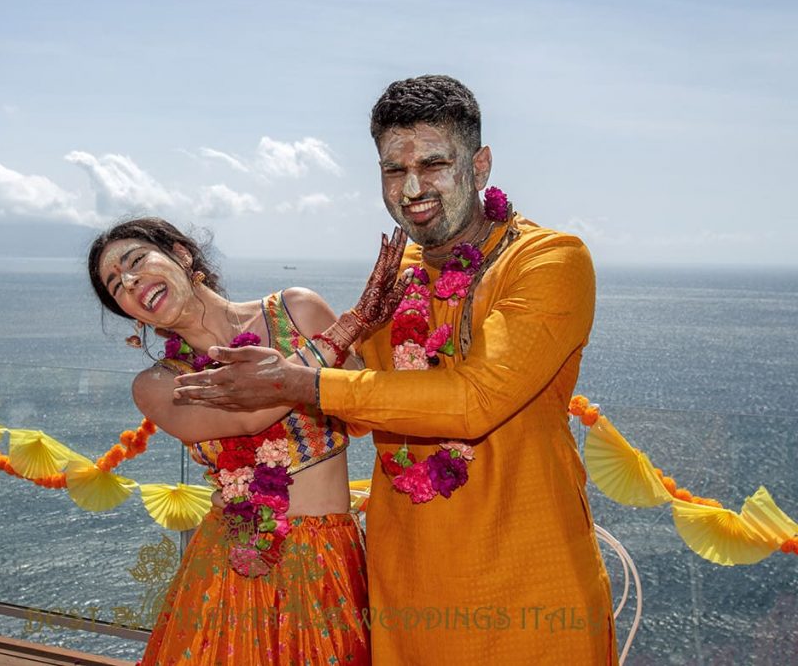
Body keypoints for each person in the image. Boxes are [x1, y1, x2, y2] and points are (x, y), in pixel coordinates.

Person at [174, 75, 619, 664]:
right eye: (393, 169)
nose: (412, 187)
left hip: (523, 573)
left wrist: (295, 381)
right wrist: (258, 361)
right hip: (403, 578)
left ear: (480, 165)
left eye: (434, 163)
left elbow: (474, 400)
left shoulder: (548, 260)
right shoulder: (401, 267)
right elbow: (364, 400)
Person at [87, 217, 408, 665]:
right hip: (233, 566)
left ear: (181, 254)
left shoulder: (299, 311)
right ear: (131, 314)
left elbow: (364, 413)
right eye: (116, 286)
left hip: (327, 558)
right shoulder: (159, 385)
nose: (130, 280)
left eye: (136, 260)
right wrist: (347, 328)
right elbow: (249, 416)